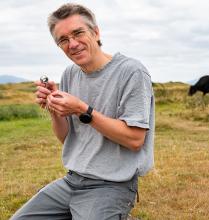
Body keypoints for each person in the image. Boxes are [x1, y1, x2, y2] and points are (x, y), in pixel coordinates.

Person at [11, 3, 155, 220]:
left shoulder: (131, 71)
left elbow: (134, 140)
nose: (73, 44)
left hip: (112, 185)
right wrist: (55, 108)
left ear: (96, 32)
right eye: (63, 40)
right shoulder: (70, 73)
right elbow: (67, 138)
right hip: (72, 181)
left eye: (78, 33)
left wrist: (82, 109)